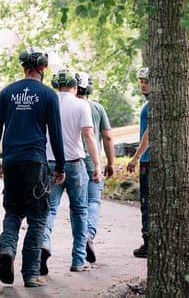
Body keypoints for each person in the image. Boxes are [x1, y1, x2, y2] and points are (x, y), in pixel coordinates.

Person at [0, 49, 66, 288]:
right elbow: (55, 134)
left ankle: (7, 250)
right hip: (35, 162)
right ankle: (31, 274)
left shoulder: (7, 92)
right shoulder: (48, 95)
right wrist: (60, 166)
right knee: (38, 217)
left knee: (12, 211)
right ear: (43, 69)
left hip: (11, 162)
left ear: (24, 67)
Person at [39, 69, 101, 275]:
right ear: (75, 87)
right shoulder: (81, 104)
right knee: (79, 211)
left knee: (50, 209)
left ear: (56, 85)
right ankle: (78, 260)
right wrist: (97, 166)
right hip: (75, 164)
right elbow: (89, 136)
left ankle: (44, 245)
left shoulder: (48, 101)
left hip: (50, 163)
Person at [74, 71, 115, 263]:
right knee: (93, 202)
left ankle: (79, 246)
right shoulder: (97, 108)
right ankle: (89, 235)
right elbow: (107, 137)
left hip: (72, 162)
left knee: (78, 207)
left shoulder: (67, 105)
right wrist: (110, 162)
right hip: (92, 164)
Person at [126, 66, 150, 258]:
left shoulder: (153, 105)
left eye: (146, 81)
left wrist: (136, 157)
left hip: (149, 161)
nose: (143, 84)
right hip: (147, 160)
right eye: (141, 81)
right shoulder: (149, 104)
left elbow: (149, 134)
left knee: (147, 201)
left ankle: (148, 241)